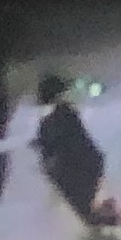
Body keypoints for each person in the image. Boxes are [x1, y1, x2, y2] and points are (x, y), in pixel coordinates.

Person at [31, 74, 107, 220]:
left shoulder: (84, 196)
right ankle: (51, 89)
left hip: (71, 157)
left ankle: (51, 88)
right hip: (70, 157)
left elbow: (91, 161)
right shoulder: (81, 198)